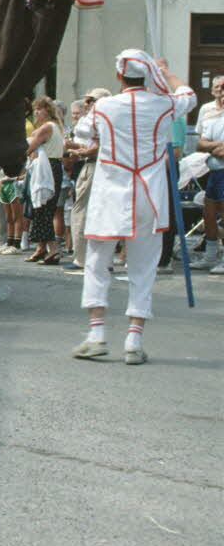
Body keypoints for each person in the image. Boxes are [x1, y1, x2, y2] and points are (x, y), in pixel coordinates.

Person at [73, 50, 196, 364]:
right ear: (149, 73)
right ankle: (133, 340)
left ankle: (97, 335)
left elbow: (84, 132)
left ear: (118, 76)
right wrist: (166, 72)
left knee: (97, 262)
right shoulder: (163, 103)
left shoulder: (103, 106)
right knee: (143, 266)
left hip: (110, 195)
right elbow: (189, 95)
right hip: (149, 197)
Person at [63, 88, 110, 271]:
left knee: (81, 211)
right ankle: (104, 260)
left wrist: (78, 151)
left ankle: (81, 258)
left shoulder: (98, 119)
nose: (86, 105)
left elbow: (96, 147)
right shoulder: (109, 119)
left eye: (90, 101)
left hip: (94, 166)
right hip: (105, 168)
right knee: (102, 213)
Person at [25, 96, 65, 265]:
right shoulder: (55, 127)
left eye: (39, 109)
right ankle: (41, 248)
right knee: (41, 206)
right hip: (52, 167)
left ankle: (53, 250)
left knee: (43, 207)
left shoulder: (47, 128)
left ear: (47, 111)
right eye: (35, 109)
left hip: (46, 168)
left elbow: (29, 148)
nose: (36, 112)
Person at [190, 74, 224, 272]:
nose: (221, 91)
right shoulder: (209, 114)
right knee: (209, 213)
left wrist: (212, 146)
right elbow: (200, 144)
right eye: (218, 88)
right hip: (214, 170)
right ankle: (210, 256)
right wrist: (217, 146)